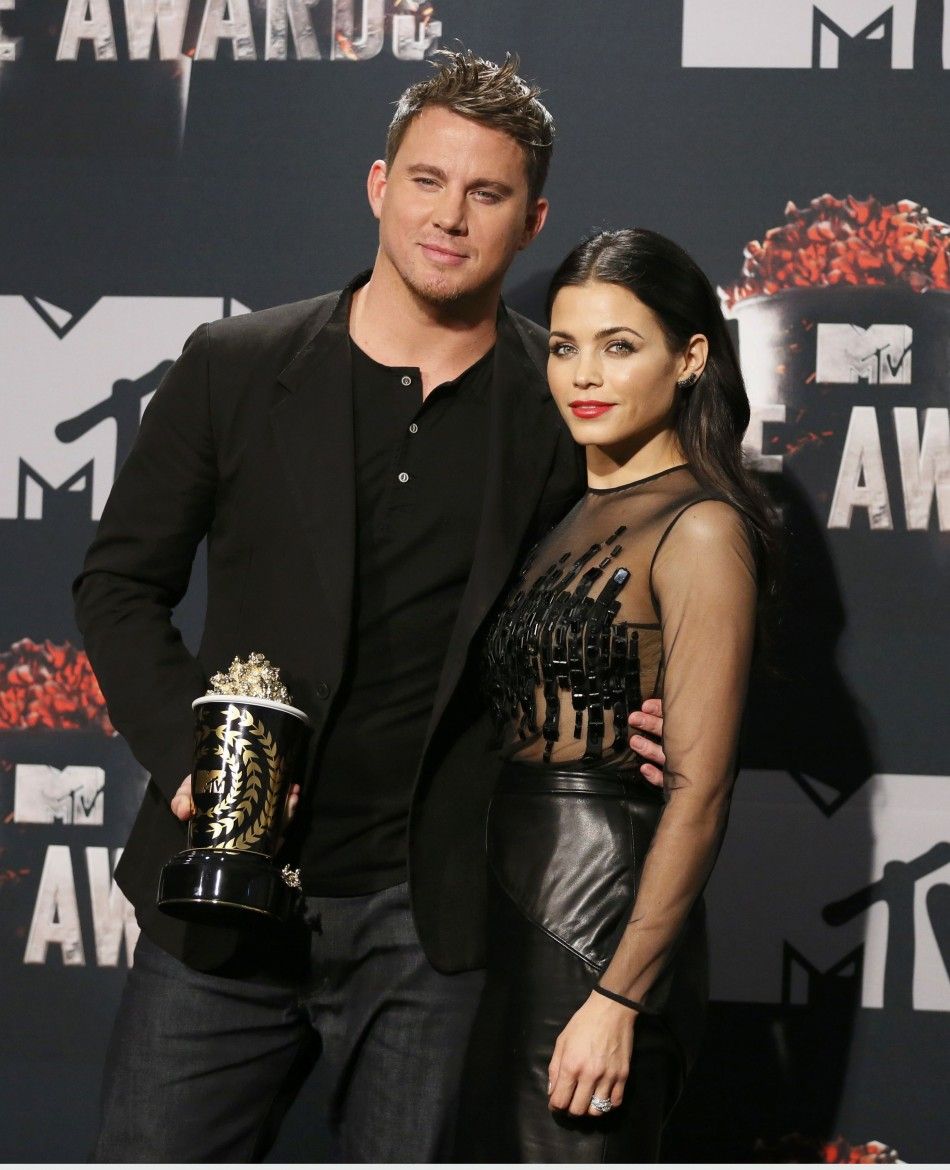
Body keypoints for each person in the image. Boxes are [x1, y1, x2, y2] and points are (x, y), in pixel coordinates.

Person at [73, 53, 666, 1162]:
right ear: (376, 185)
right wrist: (182, 757)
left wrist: (648, 709)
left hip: (428, 916)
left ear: (531, 221)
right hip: (223, 896)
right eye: (428, 180)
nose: (450, 216)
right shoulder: (234, 366)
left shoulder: (561, 413)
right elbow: (116, 584)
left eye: (486, 194)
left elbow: (620, 614)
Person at [456, 228, 776, 1162]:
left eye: (619, 345)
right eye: (564, 346)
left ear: (690, 358)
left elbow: (701, 792)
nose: (582, 375)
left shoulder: (702, 526)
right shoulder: (565, 512)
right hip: (506, 921)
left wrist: (620, 996)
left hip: (597, 930)